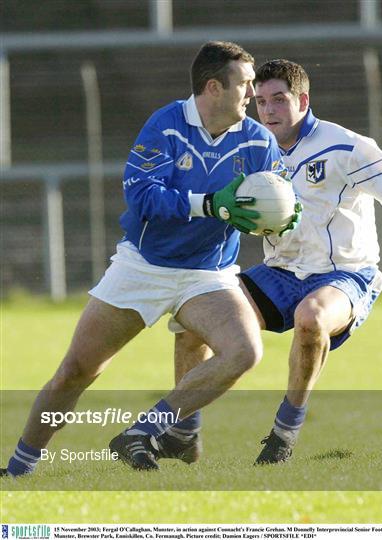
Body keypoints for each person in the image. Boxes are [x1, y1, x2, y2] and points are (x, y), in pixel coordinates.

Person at [0, 42, 298, 477]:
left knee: (244, 350)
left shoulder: (257, 141)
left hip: (207, 274)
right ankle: (18, 469)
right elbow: (141, 197)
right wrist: (210, 204)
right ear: (213, 87)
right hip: (145, 266)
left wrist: (283, 217)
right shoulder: (167, 125)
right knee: (77, 370)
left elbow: (276, 192)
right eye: (246, 85)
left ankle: (142, 432)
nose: (253, 95)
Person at [159, 59, 382, 466]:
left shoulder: (348, 146)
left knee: (311, 318)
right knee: (195, 320)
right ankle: (183, 433)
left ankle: (284, 434)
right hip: (280, 272)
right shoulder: (251, 149)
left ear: (302, 100)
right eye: (260, 101)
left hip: (347, 274)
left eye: (279, 99)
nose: (268, 110)